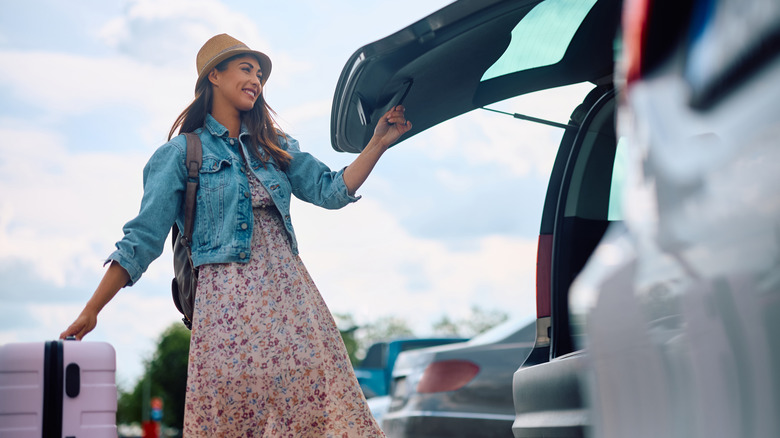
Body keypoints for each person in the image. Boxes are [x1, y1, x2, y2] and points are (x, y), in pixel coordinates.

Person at [60, 33, 411, 437]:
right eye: (247, 70)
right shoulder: (179, 154)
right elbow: (141, 240)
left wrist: (378, 143)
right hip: (227, 312)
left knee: (309, 419)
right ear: (214, 75)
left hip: (293, 306)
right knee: (232, 421)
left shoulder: (275, 145)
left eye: (259, 74)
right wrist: (92, 309)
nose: (256, 81)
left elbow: (330, 190)